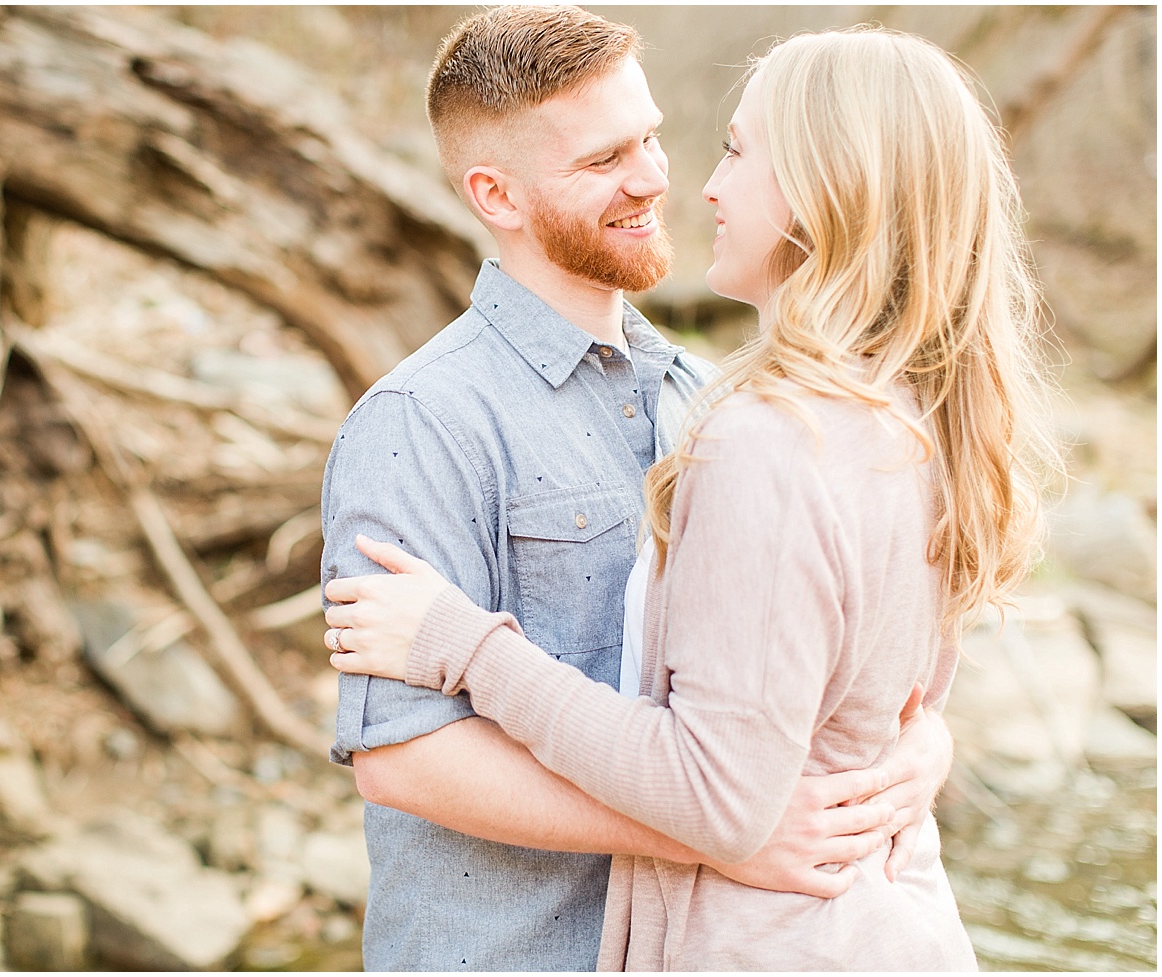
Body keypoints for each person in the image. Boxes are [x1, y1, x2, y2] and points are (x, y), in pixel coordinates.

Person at [326, 23, 1063, 972]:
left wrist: (916, 750)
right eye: (604, 158)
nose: (658, 178)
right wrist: (721, 830)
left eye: (653, 137)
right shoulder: (419, 422)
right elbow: (403, 759)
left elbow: (853, 682)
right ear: (495, 195)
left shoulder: (723, 402)